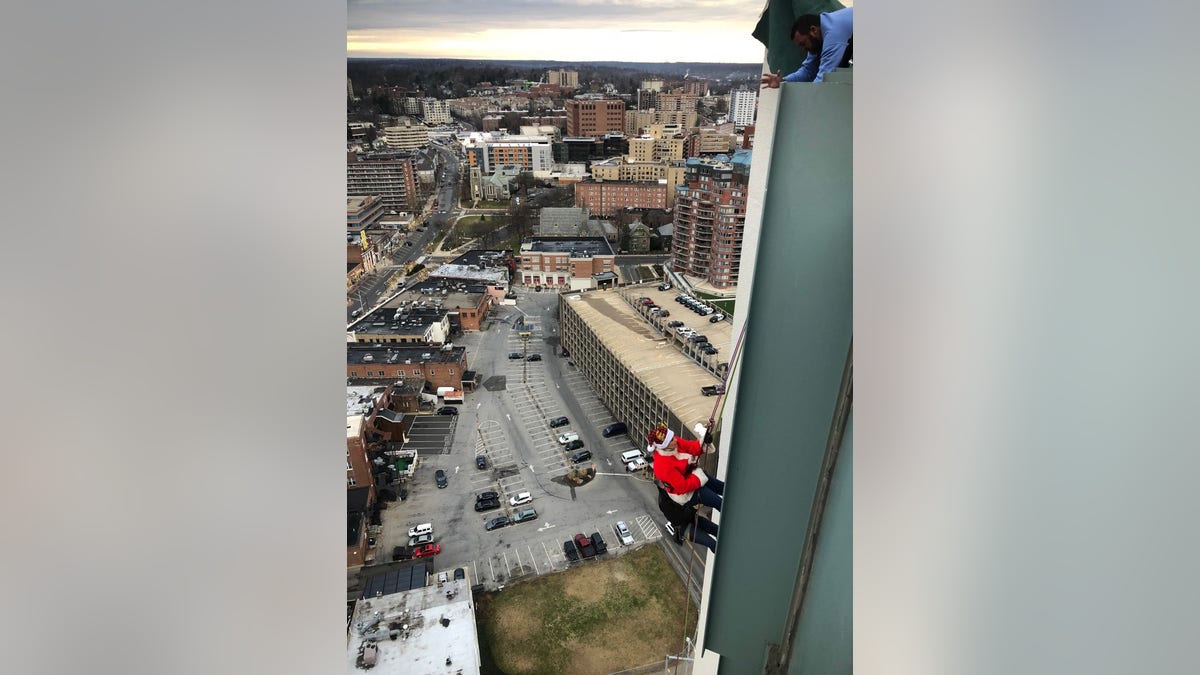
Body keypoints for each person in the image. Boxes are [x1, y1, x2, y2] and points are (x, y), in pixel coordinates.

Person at [760, 7, 853, 88]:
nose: (803, 49)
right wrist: (784, 81)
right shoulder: (819, 34)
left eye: (803, 44)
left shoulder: (833, 36)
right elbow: (808, 71)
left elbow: (824, 80)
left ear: (813, 30)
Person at [648, 422, 724, 511]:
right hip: (685, 494)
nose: (675, 439)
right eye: (671, 440)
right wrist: (700, 478)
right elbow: (682, 487)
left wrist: (704, 442)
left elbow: (690, 447)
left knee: (721, 487)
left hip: (691, 475)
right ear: (664, 446)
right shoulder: (662, 466)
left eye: (673, 437)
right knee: (717, 501)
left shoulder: (674, 443)